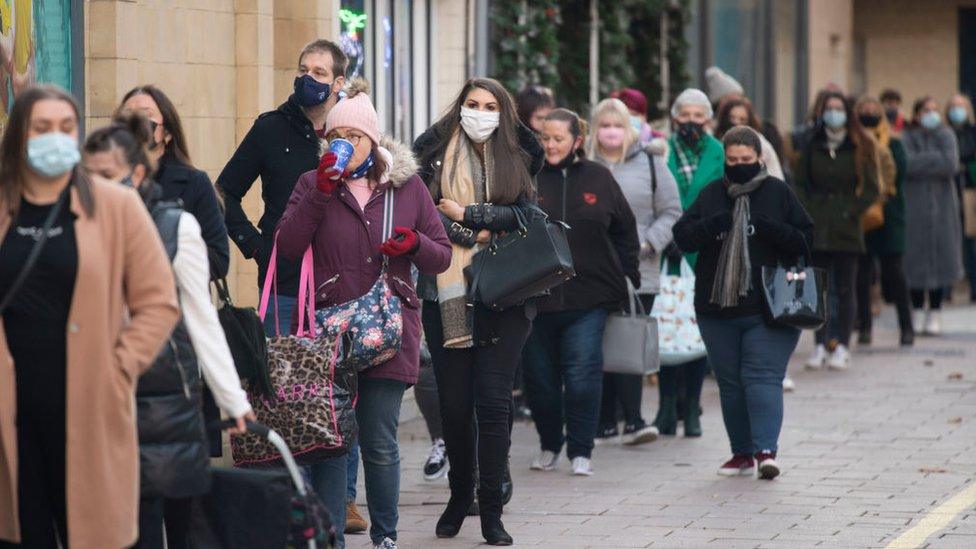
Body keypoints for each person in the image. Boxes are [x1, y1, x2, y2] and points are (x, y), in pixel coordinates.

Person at [0, 85, 179, 549]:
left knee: (93, 533)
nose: (54, 137)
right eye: (41, 128)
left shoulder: (115, 206)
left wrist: (120, 366)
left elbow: (158, 301)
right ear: (19, 135)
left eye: (65, 127)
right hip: (10, 412)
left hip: (89, 408)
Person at [276, 78, 450, 549]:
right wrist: (320, 191)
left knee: (379, 438)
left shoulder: (406, 186)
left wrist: (414, 243)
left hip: (390, 327)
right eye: (338, 136)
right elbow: (288, 246)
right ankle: (331, 533)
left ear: (372, 140)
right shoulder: (311, 184)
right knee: (333, 439)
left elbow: (443, 253)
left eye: (355, 137)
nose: (346, 145)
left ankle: (385, 535)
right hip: (330, 332)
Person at [83, 113, 255, 549]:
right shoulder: (76, 227)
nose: (97, 187)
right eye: (89, 177)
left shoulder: (174, 227)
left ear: (138, 173)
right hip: (98, 396)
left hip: (163, 397)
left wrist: (232, 400)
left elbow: (202, 317)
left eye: (108, 176)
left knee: (163, 518)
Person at [413, 77, 541, 546]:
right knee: (453, 405)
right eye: (472, 104)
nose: (480, 112)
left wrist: (469, 218)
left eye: (490, 106)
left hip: (504, 295)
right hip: (444, 291)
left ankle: (491, 509)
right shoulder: (435, 155)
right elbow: (425, 215)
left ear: (502, 114)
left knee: (492, 402)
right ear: (459, 107)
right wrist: (479, 230)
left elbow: (525, 216)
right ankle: (459, 493)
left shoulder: (517, 155)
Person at [672, 126, 813, 480]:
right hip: (716, 309)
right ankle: (742, 453)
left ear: (759, 159)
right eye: (732, 161)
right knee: (731, 383)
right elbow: (682, 237)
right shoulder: (711, 195)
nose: (738, 166)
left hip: (768, 308)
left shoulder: (777, 193)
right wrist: (717, 223)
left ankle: (766, 451)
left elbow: (804, 240)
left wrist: (765, 227)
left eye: (746, 160)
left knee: (761, 377)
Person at [524, 107, 640, 475]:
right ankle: (549, 443)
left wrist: (629, 274)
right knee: (540, 380)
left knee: (581, 374)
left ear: (576, 141)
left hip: (590, 296)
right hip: (535, 298)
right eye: (545, 138)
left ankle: (581, 449)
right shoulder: (528, 177)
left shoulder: (599, 178)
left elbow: (625, 229)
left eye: (558, 138)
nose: (550, 145)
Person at [218, 39, 347, 337]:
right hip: (284, 285)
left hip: (343, 287)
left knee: (340, 382)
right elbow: (223, 193)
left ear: (338, 82)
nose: (308, 79)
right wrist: (256, 247)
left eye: (319, 72)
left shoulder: (353, 133)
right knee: (282, 379)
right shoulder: (270, 129)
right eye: (303, 70)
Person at [587, 98, 681, 446]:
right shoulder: (584, 164)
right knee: (597, 342)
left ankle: (634, 418)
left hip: (639, 270)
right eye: (604, 125)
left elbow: (671, 211)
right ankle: (605, 421)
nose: (610, 132)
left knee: (628, 337)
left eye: (617, 125)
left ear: (629, 128)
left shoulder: (652, 164)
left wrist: (647, 244)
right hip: (593, 272)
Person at [792, 90, 880, 370]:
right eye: (828, 108)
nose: (833, 113)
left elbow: (872, 187)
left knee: (845, 288)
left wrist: (852, 209)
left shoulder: (859, 145)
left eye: (838, 108)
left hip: (846, 228)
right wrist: (810, 211)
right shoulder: (811, 145)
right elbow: (799, 183)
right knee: (817, 288)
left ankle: (842, 344)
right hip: (818, 226)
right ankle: (819, 344)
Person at [661, 88, 724, 437]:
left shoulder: (720, 152)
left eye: (698, 116)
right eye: (684, 116)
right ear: (674, 118)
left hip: (706, 248)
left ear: (709, 120)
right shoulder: (662, 149)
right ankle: (667, 405)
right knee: (669, 326)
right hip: (669, 249)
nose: (690, 123)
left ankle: (693, 406)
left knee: (697, 329)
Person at [118, 85, 229, 279]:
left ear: (167, 133)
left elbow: (218, 260)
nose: (135, 123)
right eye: (127, 115)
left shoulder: (194, 182)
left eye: (146, 115)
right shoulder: (103, 182)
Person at [853, 96, 914, 346]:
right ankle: (864, 326)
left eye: (873, 110)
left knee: (895, 272)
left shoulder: (895, 144)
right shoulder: (853, 143)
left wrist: (881, 196)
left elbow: (898, 177)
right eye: (864, 110)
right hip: (862, 214)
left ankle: (906, 327)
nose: (869, 113)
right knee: (863, 273)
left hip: (889, 215)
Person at [902, 96, 963, 335]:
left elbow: (950, 163)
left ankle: (935, 311)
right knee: (915, 257)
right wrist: (933, 162)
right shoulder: (906, 137)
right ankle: (917, 309)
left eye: (934, 110)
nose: (931, 114)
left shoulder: (946, 135)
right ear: (916, 114)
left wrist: (923, 163)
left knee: (940, 256)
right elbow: (906, 164)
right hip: (914, 207)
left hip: (943, 207)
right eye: (926, 110)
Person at [946, 93, 976, 302]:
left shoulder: (973, 132)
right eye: (953, 106)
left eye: (961, 106)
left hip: (970, 191)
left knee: (970, 242)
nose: (957, 110)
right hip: (948, 191)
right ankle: (947, 289)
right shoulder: (944, 133)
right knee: (949, 240)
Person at [715, 96, 785, 181]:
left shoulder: (757, 141)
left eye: (742, 119)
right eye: (732, 118)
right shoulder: (720, 139)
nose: (736, 123)